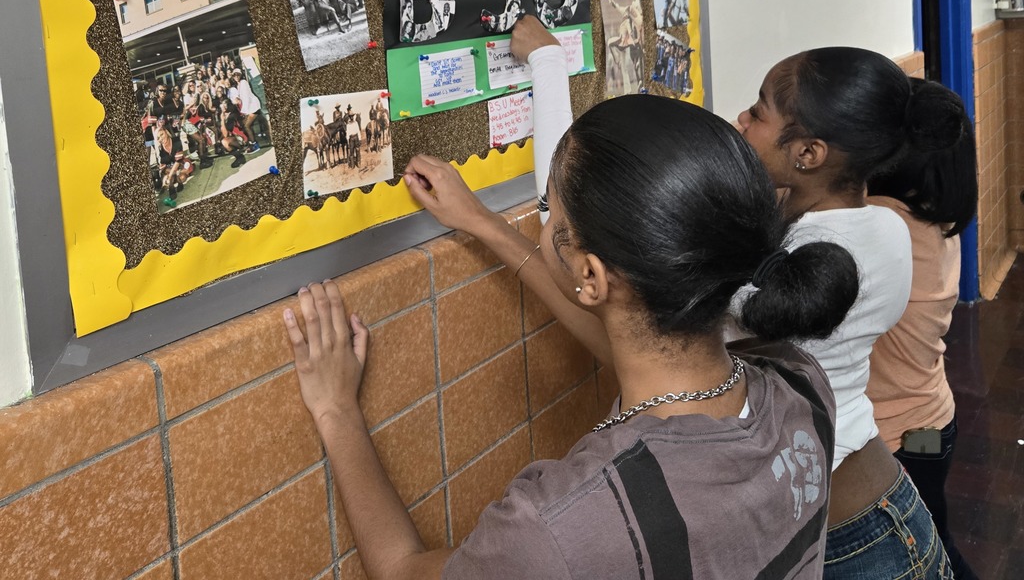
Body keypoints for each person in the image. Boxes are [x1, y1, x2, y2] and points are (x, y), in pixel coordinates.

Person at [286, 94, 859, 580]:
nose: (542, 220)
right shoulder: (800, 384)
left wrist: (335, 408)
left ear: (591, 275)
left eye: (547, 210)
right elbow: (643, 353)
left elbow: (402, 571)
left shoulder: (566, 524)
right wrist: (486, 224)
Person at [735, 48, 953, 578]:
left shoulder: (787, 267)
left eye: (758, 111)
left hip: (851, 538)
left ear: (808, 152)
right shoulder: (885, 227)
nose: (741, 119)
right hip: (878, 497)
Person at [866, 80, 979, 580]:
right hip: (931, 422)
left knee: (921, 552)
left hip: (903, 435)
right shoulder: (933, 218)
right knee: (933, 537)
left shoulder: (884, 221)